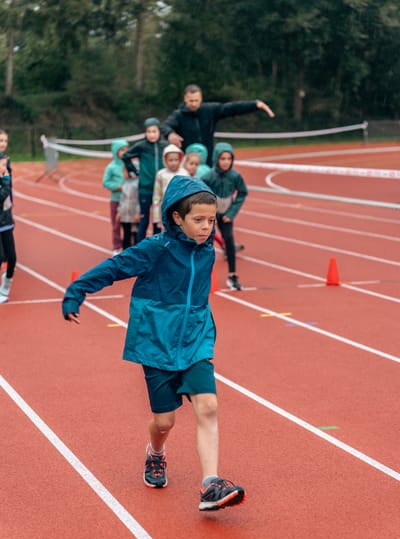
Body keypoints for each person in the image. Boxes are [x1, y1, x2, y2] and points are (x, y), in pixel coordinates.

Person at [62, 175, 246, 512]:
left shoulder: (206, 250)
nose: (207, 228)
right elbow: (115, 267)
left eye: (211, 220)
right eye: (199, 220)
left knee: (207, 406)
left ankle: (209, 485)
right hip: (156, 341)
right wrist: (77, 292)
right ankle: (156, 453)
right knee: (165, 421)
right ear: (177, 217)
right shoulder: (156, 249)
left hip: (195, 338)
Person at [161, 83, 275, 166]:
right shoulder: (178, 115)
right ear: (185, 98)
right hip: (188, 164)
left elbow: (231, 108)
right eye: (191, 101)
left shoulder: (210, 110)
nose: (194, 104)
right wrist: (170, 134)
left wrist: (255, 105)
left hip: (208, 162)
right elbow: (165, 126)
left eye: (197, 100)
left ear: (201, 98)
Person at [201, 143, 247, 291]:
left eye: (229, 158)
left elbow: (242, 192)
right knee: (206, 243)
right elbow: (200, 193)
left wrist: (231, 212)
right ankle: (203, 277)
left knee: (229, 240)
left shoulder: (235, 176)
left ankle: (232, 275)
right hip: (211, 214)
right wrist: (208, 212)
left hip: (227, 213)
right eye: (222, 158)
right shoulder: (208, 176)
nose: (226, 162)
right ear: (216, 159)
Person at [122, 118, 167, 242]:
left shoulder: (165, 146)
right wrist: (133, 171)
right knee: (144, 219)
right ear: (145, 133)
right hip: (145, 188)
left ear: (159, 132)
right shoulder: (141, 146)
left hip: (161, 190)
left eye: (154, 131)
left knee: (158, 220)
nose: (152, 134)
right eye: (149, 131)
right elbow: (126, 156)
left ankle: (156, 245)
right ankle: (139, 247)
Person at [102, 139, 130, 255]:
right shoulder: (111, 167)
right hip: (116, 200)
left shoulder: (129, 164)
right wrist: (116, 186)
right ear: (115, 152)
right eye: (121, 150)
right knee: (116, 224)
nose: (124, 152)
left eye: (126, 149)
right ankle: (117, 246)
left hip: (129, 200)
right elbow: (105, 182)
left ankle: (128, 244)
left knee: (129, 224)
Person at [152, 144, 187, 233]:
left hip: (181, 209)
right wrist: (156, 217)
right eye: (170, 160)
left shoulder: (184, 173)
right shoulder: (161, 174)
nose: (173, 162)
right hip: (166, 209)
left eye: (176, 160)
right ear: (165, 160)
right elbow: (156, 196)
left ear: (180, 160)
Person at [0, 151, 16, 304]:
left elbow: (9, 199)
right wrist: (5, 180)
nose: (6, 168)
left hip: (6, 224)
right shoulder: (5, 180)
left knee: (12, 258)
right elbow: (2, 195)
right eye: (3, 165)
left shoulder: (6, 178)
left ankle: (6, 286)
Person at [118, 168, 141, 249]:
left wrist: (138, 213)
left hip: (133, 215)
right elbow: (122, 199)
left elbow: (139, 200)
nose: (123, 174)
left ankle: (135, 254)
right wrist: (119, 212)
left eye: (124, 171)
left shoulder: (137, 184)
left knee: (135, 234)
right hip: (125, 215)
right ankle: (125, 254)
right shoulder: (125, 184)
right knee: (126, 234)